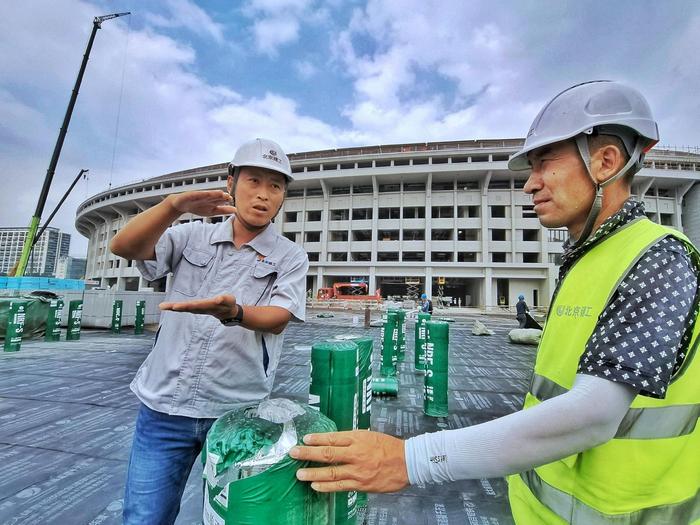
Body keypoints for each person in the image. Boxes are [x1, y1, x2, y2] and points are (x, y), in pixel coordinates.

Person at [290, 81, 700, 524]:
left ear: (606, 162)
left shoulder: (659, 258)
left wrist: (410, 459)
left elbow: (593, 415)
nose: (529, 185)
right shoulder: (583, 261)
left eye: (545, 165)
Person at [110, 138, 309, 524]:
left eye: (275, 186)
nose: (263, 195)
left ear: (283, 196)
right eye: (253, 180)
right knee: (144, 517)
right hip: (164, 406)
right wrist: (174, 206)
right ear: (230, 181)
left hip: (238, 411)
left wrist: (234, 312)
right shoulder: (191, 236)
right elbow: (124, 246)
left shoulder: (289, 255)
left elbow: (280, 316)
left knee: (232, 517)